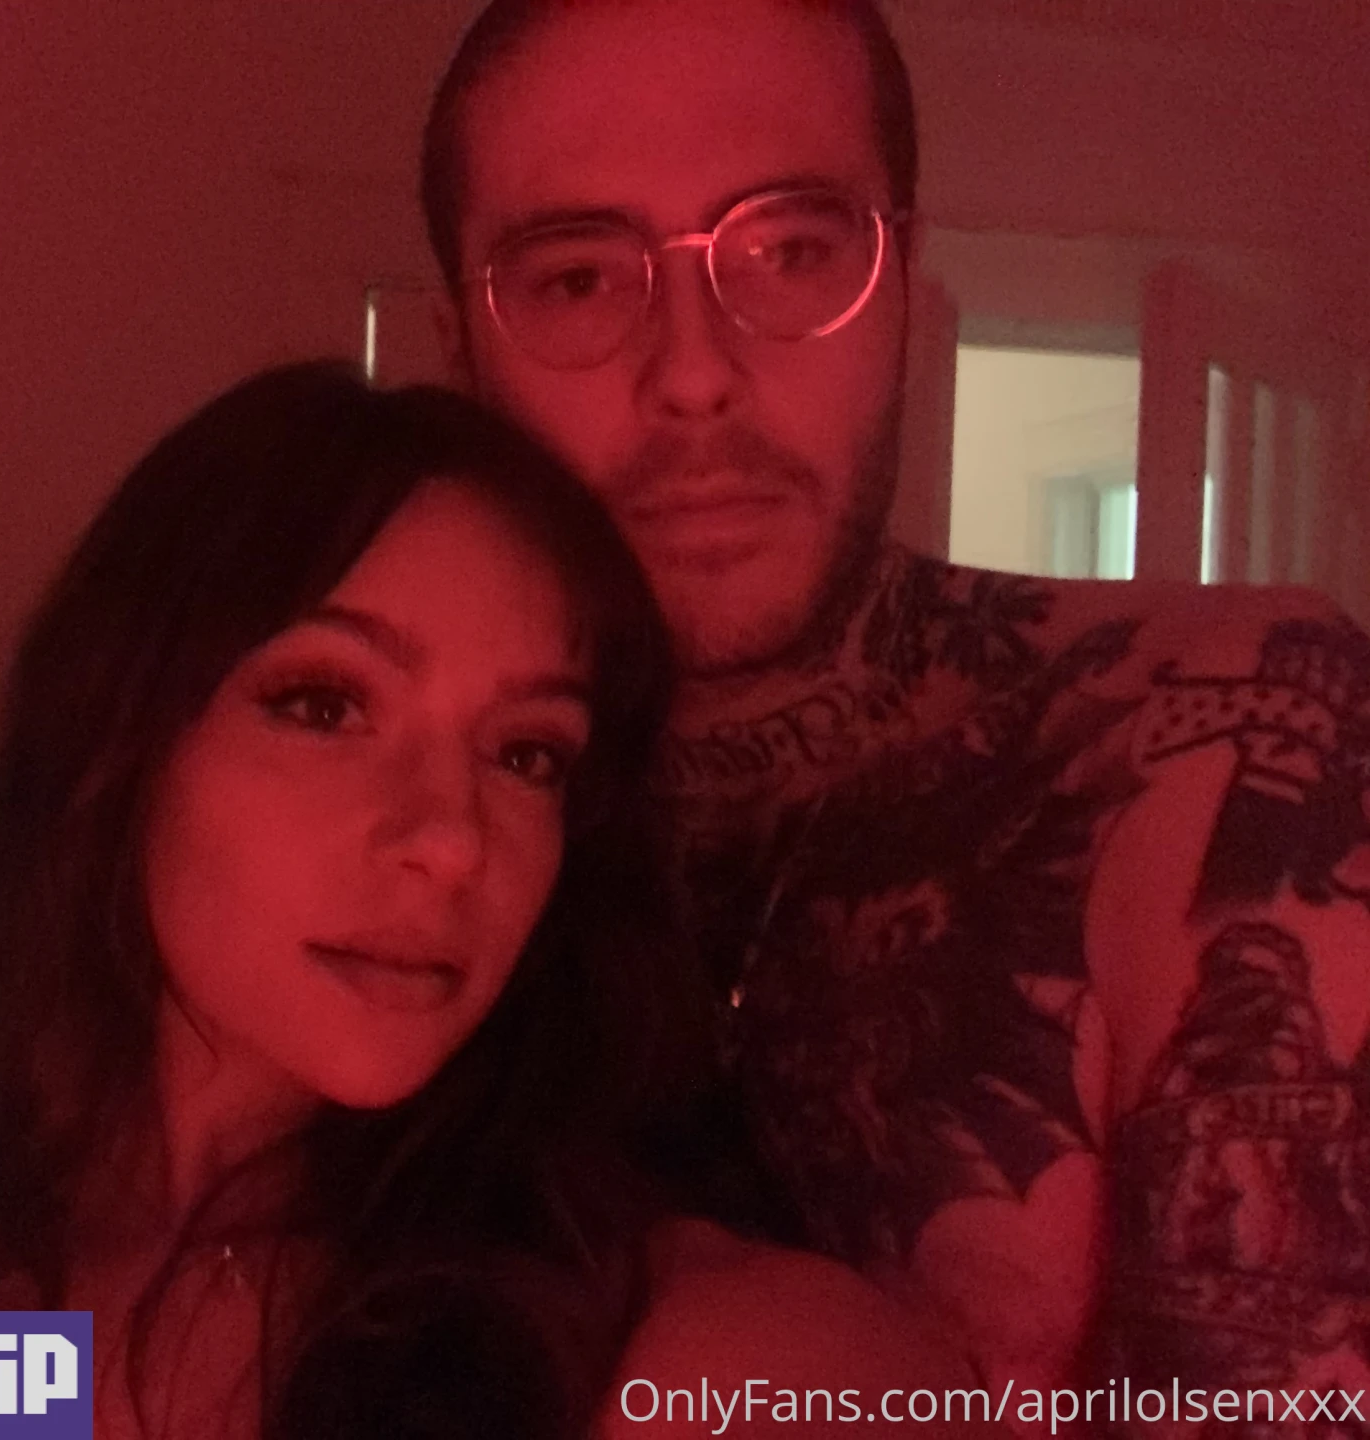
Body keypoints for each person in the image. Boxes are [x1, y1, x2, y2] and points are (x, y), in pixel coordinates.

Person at [421, 0, 1370, 1422]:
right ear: (458, 351)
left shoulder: (1208, 739)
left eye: (793, 252)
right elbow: (75, 1330)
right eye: (575, 280)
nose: (694, 375)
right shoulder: (354, 815)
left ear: (907, 287)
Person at [0, 362, 984, 1438]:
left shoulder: (735, 1359)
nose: (452, 841)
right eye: (326, 704)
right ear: (112, 750)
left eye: (527, 754)